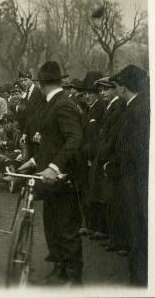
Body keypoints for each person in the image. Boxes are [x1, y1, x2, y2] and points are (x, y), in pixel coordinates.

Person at [18, 61, 84, 285]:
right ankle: (60, 269)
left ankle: (74, 279)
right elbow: (52, 142)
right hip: (51, 179)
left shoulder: (62, 104)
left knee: (66, 229)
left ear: (42, 84)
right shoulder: (52, 102)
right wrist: (35, 161)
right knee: (53, 226)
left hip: (64, 180)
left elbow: (74, 138)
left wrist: (54, 167)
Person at [109, 65, 149, 286]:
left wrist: (112, 168)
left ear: (124, 88)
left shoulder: (136, 111)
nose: (115, 91)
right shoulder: (139, 107)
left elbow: (132, 150)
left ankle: (139, 283)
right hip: (135, 181)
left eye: (116, 87)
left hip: (134, 183)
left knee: (137, 236)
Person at [92, 76, 127, 257]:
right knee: (109, 200)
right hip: (105, 157)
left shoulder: (118, 107)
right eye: (101, 90)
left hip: (112, 159)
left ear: (115, 89)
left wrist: (106, 158)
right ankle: (114, 237)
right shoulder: (110, 106)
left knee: (115, 201)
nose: (102, 92)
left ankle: (120, 240)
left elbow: (113, 136)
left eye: (106, 89)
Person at [77, 71, 106, 238]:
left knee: (95, 192)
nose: (87, 96)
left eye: (91, 93)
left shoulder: (100, 108)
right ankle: (90, 225)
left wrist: (87, 153)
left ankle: (99, 228)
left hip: (94, 157)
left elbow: (98, 136)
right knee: (87, 191)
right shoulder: (89, 110)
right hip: (86, 156)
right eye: (85, 93)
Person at [17, 71, 46, 160]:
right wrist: (25, 133)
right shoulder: (26, 95)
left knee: (38, 157)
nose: (23, 83)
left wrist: (38, 131)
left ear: (31, 80)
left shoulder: (38, 92)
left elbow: (42, 113)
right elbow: (28, 117)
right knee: (31, 157)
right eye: (21, 81)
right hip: (30, 131)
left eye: (25, 80)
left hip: (38, 132)